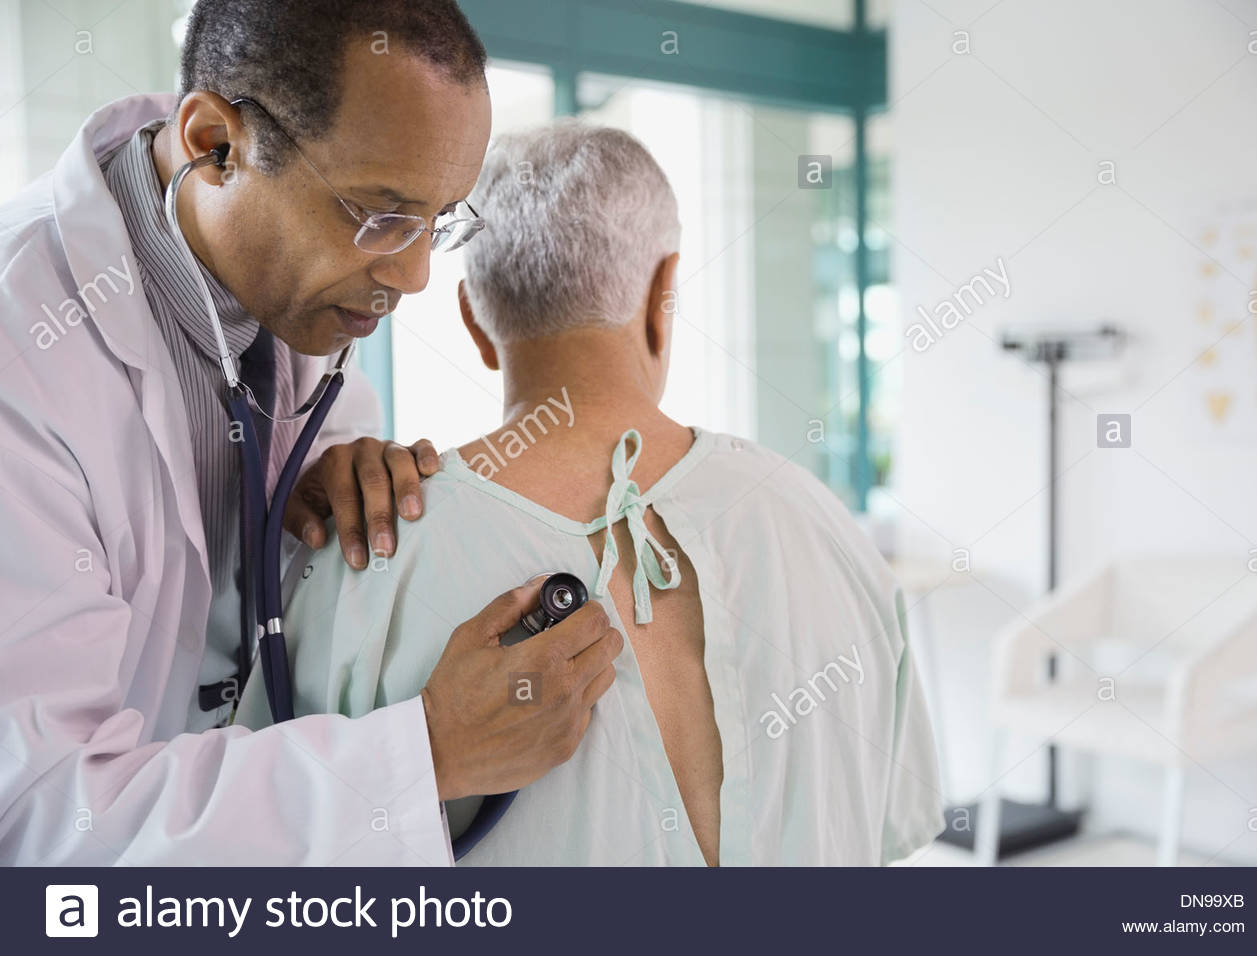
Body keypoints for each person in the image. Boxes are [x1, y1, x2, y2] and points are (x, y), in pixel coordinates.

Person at [0, 1, 620, 866]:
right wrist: (428, 755)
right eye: (378, 214)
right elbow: (41, 820)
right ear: (217, 144)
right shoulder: (23, 353)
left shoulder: (284, 312)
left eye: (439, 221)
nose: (411, 277)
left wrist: (319, 487)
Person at [235, 121, 947, 865]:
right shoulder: (825, 530)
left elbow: (262, 875)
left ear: (475, 321)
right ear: (663, 292)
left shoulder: (365, 558)